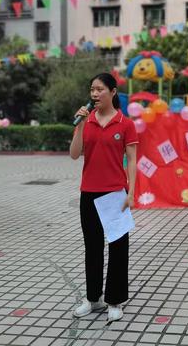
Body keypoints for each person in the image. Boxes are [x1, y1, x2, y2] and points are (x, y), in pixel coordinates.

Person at [69, 72, 138, 322]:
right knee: (93, 248)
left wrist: (131, 193)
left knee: (118, 248)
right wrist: (79, 126)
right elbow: (75, 155)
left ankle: (115, 301)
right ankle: (92, 298)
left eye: (99, 89)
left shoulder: (125, 123)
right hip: (88, 193)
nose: (95, 94)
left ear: (112, 92)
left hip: (115, 194)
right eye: (92, 90)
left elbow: (132, 159)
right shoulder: (86, 122)